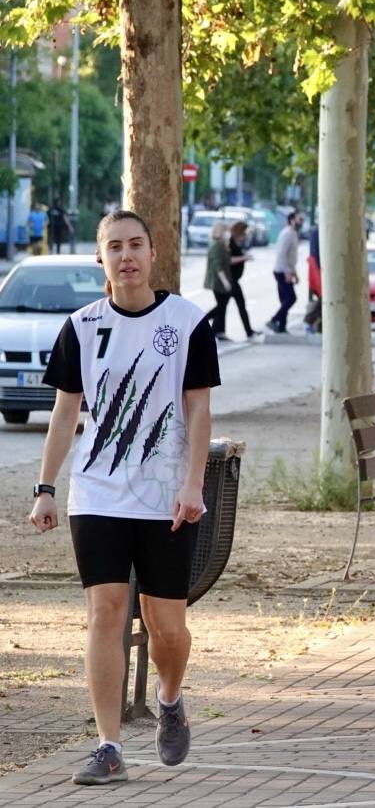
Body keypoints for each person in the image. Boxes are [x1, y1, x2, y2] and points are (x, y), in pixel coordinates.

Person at [29, 210, 220, 786]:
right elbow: (65, 413)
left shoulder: (188, 323)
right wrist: (46, 487)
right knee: (103, 615)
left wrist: (193, 483)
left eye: (136, 244)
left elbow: (199, 407)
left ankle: (169, 698)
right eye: (115, 246)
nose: (127, 255)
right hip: (98, 493)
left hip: (165, 498)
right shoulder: (81, 327)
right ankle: (108, 744)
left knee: (167, 628)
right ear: (101, 259)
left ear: (153, 254)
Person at [268, 211, 302, 333]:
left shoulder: (293, 233)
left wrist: (294, 273)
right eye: (300, 219)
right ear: (292, 220)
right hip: (281, 271)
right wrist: (288, 272)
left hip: (285, 270)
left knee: (285, 299)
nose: (301, 222)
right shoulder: (287, 233)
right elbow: (282, 254)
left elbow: (291, 257)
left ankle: (281, 326)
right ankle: (274, 320)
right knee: (291, 298)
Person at [225, 221, 260, 339]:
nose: (245, 235)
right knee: (237, 305)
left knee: (222, 307)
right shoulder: (230, 243)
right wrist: (244, 257)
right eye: (244, 233)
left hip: (234, 279)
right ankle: (249, 331)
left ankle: (216, 329)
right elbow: (229, 259)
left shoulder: (235, 243)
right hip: (231, 280)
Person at [203, 221, 233, 340]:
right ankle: (203, 321)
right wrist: (225, 282)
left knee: (223, 306)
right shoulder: (216, 245)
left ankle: (218, 331)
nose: (228, 233)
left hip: (220, 281)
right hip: (217, 281)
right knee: (221, 305)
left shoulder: (221, 244)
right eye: (226, 230)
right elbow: (218, 266)